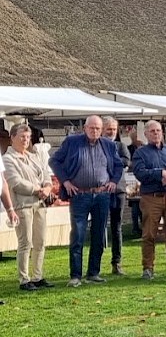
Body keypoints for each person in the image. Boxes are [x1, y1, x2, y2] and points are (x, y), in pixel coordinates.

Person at [50, 115, 123, 287]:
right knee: (78, 235)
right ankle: (75, 275)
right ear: (85, 128)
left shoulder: (109, 145)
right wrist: (65, 181)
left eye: (98, 128)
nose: (95, 131)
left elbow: (118, 165)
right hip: (80, 195)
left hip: (102, 196)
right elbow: (54, 161)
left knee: (98, 235)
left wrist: (113, 181)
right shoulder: (72, 142)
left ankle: (93, 273)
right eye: (92, 128)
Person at [131, 120, 166, 280]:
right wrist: (160, 173)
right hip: (152, 198)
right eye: (152, 131)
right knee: (149, 233)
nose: (156, 133)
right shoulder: (140, 153)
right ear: (146, 134)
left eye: (158, 130)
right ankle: (148, 268)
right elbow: (140, 173)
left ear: (162, 132)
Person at [4, 123, 53, 291]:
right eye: (22, 137)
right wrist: (37, 189)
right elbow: (15, 182)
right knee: (26, 242)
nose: (25, 140)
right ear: (12, 138)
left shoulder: (33, 156)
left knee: (40, 241)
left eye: (28, 137)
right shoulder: (8, 159)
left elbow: (46, 174)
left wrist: (47, 188)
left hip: (39, 204)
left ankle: (37, 276)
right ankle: (24, 279)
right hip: (23, 204)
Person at [102, 117, 131, 276]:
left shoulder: (121, 146)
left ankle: (117, 262)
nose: (112, 132)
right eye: (109, 129)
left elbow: (126, 161)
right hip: (101, 190)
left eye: (114, 129)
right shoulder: (98, 146)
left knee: (117, 227)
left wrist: (110, 161)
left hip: (118, 191)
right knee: (99, 226)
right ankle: (96, 264)